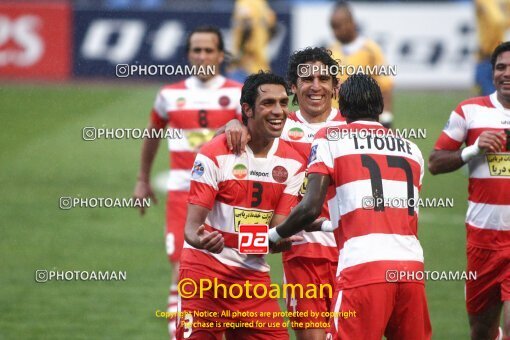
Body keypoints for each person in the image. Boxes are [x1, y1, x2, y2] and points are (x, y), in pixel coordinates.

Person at [269, 73, 431, 339]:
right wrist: (325, 224)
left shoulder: (330, 138)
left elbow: (310, 206)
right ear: (380, 107)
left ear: (341, 108)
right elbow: (390, 213)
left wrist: (274, 235)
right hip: (411, 268)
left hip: (363, 268)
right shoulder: (411, 149)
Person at [224, 47, 345, 339]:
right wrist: (231, 124)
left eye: (323, 79)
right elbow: (230, 135)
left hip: (350, 251)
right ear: (293, 86)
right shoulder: (279, 123)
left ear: (334, 87)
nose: (315, 86)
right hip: (304, 251)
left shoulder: (352, 126)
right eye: (306, 79)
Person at [176, 72, 305, 339]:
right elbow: (191, 229)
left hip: (252, 279)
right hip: (204, 275)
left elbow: (277, 230)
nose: (279, 111)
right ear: (247, 109)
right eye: (268, 103)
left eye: (283, 102)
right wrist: (201, 240)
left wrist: (289, 232)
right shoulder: (214, 153)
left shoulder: (293, 164)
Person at [132, 26, 242, 339]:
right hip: (184, 194)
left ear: (221, 55)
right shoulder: (169, 95)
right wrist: (142, 179)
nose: (202, 56)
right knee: (183, 269)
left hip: (227, 197)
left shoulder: (238, 94)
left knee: (228, 273)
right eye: (196, 50)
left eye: (209, 50)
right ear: (188, 55)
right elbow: (152, 135)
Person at [429, 41, 510, 340]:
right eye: (501, 67)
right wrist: (473, 149)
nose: (507, 74)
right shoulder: (470, 110)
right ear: (492, 73)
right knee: (481, 331)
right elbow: (435, 162)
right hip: (483, 240)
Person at [329, 0, 394, 127]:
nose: (335, 32)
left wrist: (386, 117)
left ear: (351, 23)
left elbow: (385, 86)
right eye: (333, 27)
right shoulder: (331, 50)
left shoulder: (371, 50)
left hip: (360, 119)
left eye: (338, 26)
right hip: (334, 120)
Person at [229, 0, 276, 82]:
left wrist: (241, 52)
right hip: (261, 62)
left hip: (246, 64)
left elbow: (246, 24)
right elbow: (273, 28)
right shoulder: (262, 4)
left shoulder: (244, 3)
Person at [474, 0, 510, 96]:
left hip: (491, 55)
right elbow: (499, 21)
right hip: (489, 56)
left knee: (490, 98)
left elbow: (498, 21)